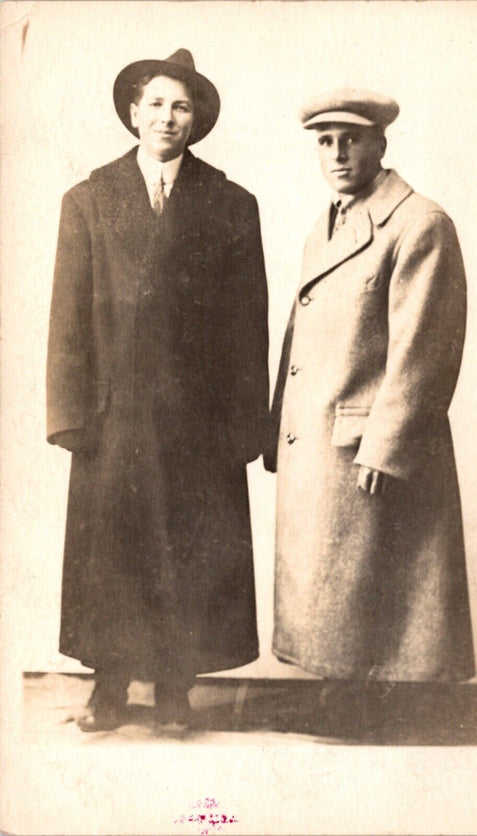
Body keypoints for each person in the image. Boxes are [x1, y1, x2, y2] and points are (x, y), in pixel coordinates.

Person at [47, 49, 269, 731]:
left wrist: (244, 427)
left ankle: (176, 687)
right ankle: (108, 687)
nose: (167, 116)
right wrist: (68, 413)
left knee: (190, 551)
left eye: (181, 105)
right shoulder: (88, 198)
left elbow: (247, 322)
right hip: (114, 418)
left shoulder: (230, 202)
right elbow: (67, 316)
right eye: (155, 103)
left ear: (196, 117)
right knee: (112, 552)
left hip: (196, 420)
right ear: (133, 112)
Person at [265, 89, 475, 717]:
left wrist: (387, 444)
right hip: (322, 438)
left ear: (381, 142)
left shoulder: (419, 223)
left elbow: (425, 351)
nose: (337, 153)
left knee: (375, 584)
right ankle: (342, 693)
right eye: (325, 141)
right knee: (339, 588)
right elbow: (300, 333)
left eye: (351, 139)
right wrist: (278, 426)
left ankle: (368, 703)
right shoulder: (328, 221)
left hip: (369, 443)